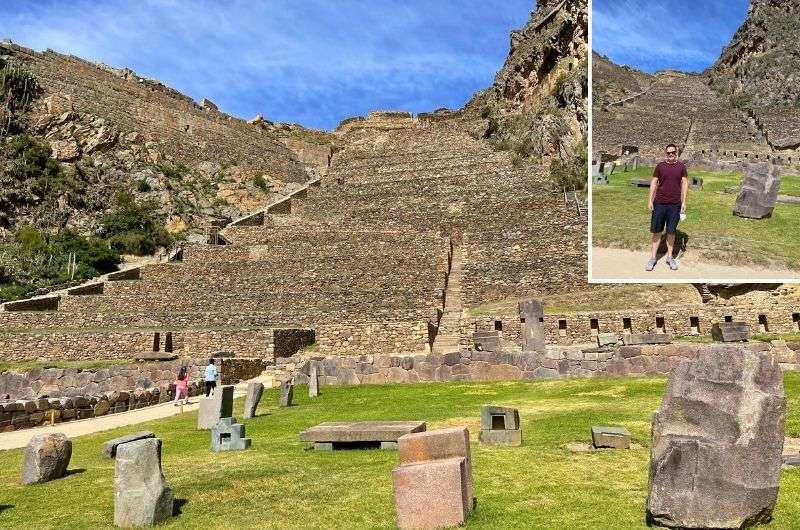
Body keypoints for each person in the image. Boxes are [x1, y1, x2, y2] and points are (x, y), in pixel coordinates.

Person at [646, 143, 688, 271]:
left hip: (675, 204)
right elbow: (654, 182)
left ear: (677, 153)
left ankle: (670, 258)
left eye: (673, 152)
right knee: (657, 231)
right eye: (668, 153)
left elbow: (685, 183)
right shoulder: (660, 166)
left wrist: (684, 201)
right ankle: (653, 258)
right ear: (666, 154)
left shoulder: (681, 167)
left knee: (671, 232)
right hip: (660, 203)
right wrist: (650, 200)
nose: (671, 155)